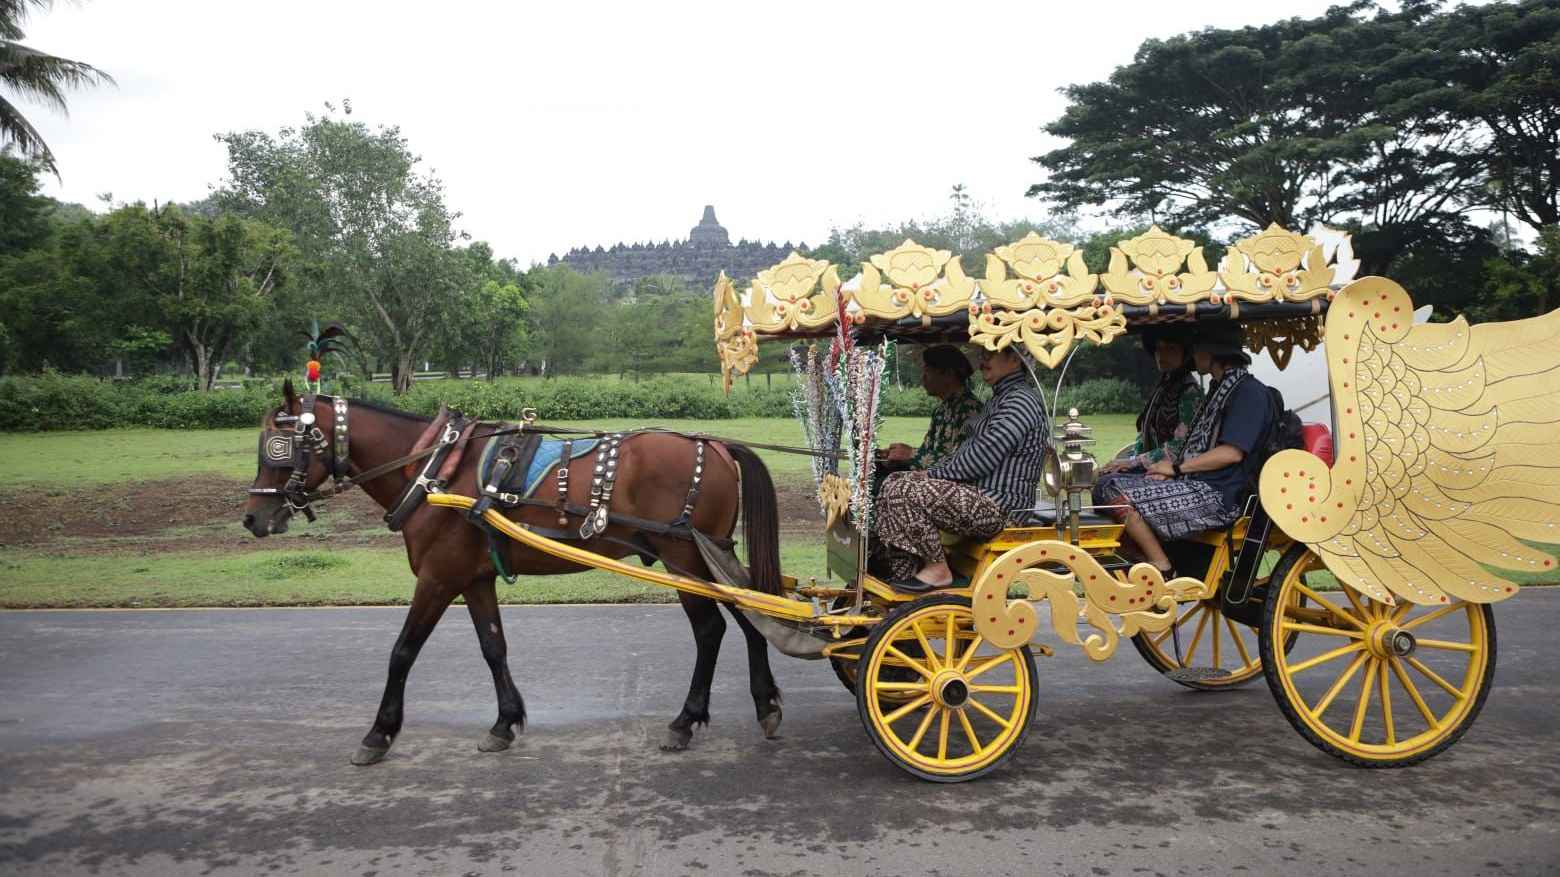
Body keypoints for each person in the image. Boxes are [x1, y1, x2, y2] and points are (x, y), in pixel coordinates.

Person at [1092, 323, 1274, 578]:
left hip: (1219, 496)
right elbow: (1190, 445)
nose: (1194, 354)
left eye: (1197, 348)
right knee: (1107, 482)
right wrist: (1169, 472)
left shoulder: (1248, 392)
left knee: (1110, 487)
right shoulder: (1219, 389)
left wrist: (1176, 469)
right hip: (1198, 482)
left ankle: (1161, 566)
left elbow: (1231, 453)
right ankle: (1140, 557)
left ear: (1213, 352)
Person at [873, 347, 1048, 589]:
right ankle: (907, 576)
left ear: (1016, 358)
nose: (983, 359)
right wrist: (926, 473)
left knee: (903, 491)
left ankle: (937, 569)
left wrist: (932, 474)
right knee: (894, 483)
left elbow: (982, 456)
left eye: (991, 353)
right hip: (982, 499)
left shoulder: (1020, 401)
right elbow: (963, 453)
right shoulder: (1001, 398)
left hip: (1001, 508)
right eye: (983, 353)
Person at [1099, 327, 1202, 476]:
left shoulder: (1190, 393)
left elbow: (1182, 445)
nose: (1162, 354)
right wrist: (1126, 460)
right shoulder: (1164, 387)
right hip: (1151, 468)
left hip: (1173, 473)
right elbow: (1145, 438)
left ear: (1185, 353)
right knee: (1104, 474)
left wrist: (1135, 462)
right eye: (1159, 348)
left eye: (1170, 348)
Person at [884, 345, 982, 470]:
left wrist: (911, 454)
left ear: (949, 374)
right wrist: (900, 454)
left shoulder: (970, 411)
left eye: (928, 371)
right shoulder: (941, 411)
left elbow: (962, 462)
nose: (922, 378)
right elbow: (929, 451)